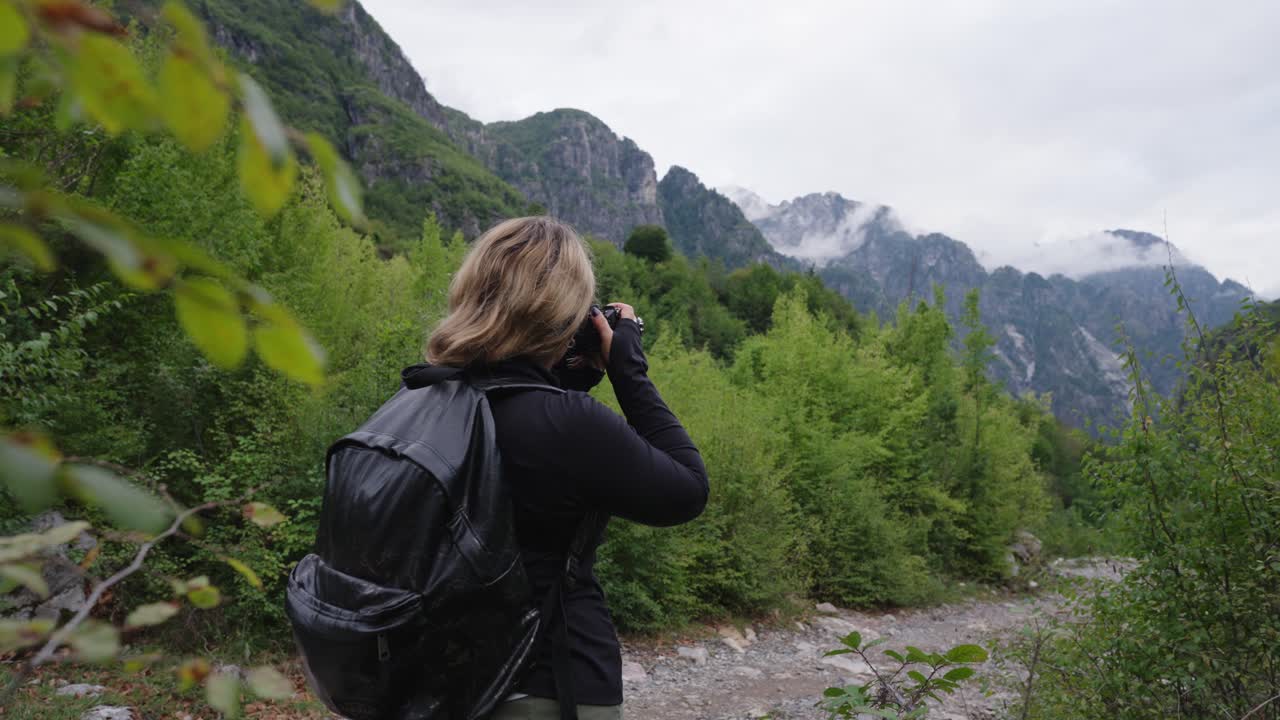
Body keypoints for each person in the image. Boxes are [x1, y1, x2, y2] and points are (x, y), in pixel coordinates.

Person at [404, 216, 709, 720]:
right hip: (549, 684)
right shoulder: (566, 424)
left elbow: (506, 418)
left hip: (430, 685)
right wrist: (627, 370)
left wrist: (563, 381)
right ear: (563, 314)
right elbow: (687, 490)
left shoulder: (417, 399)